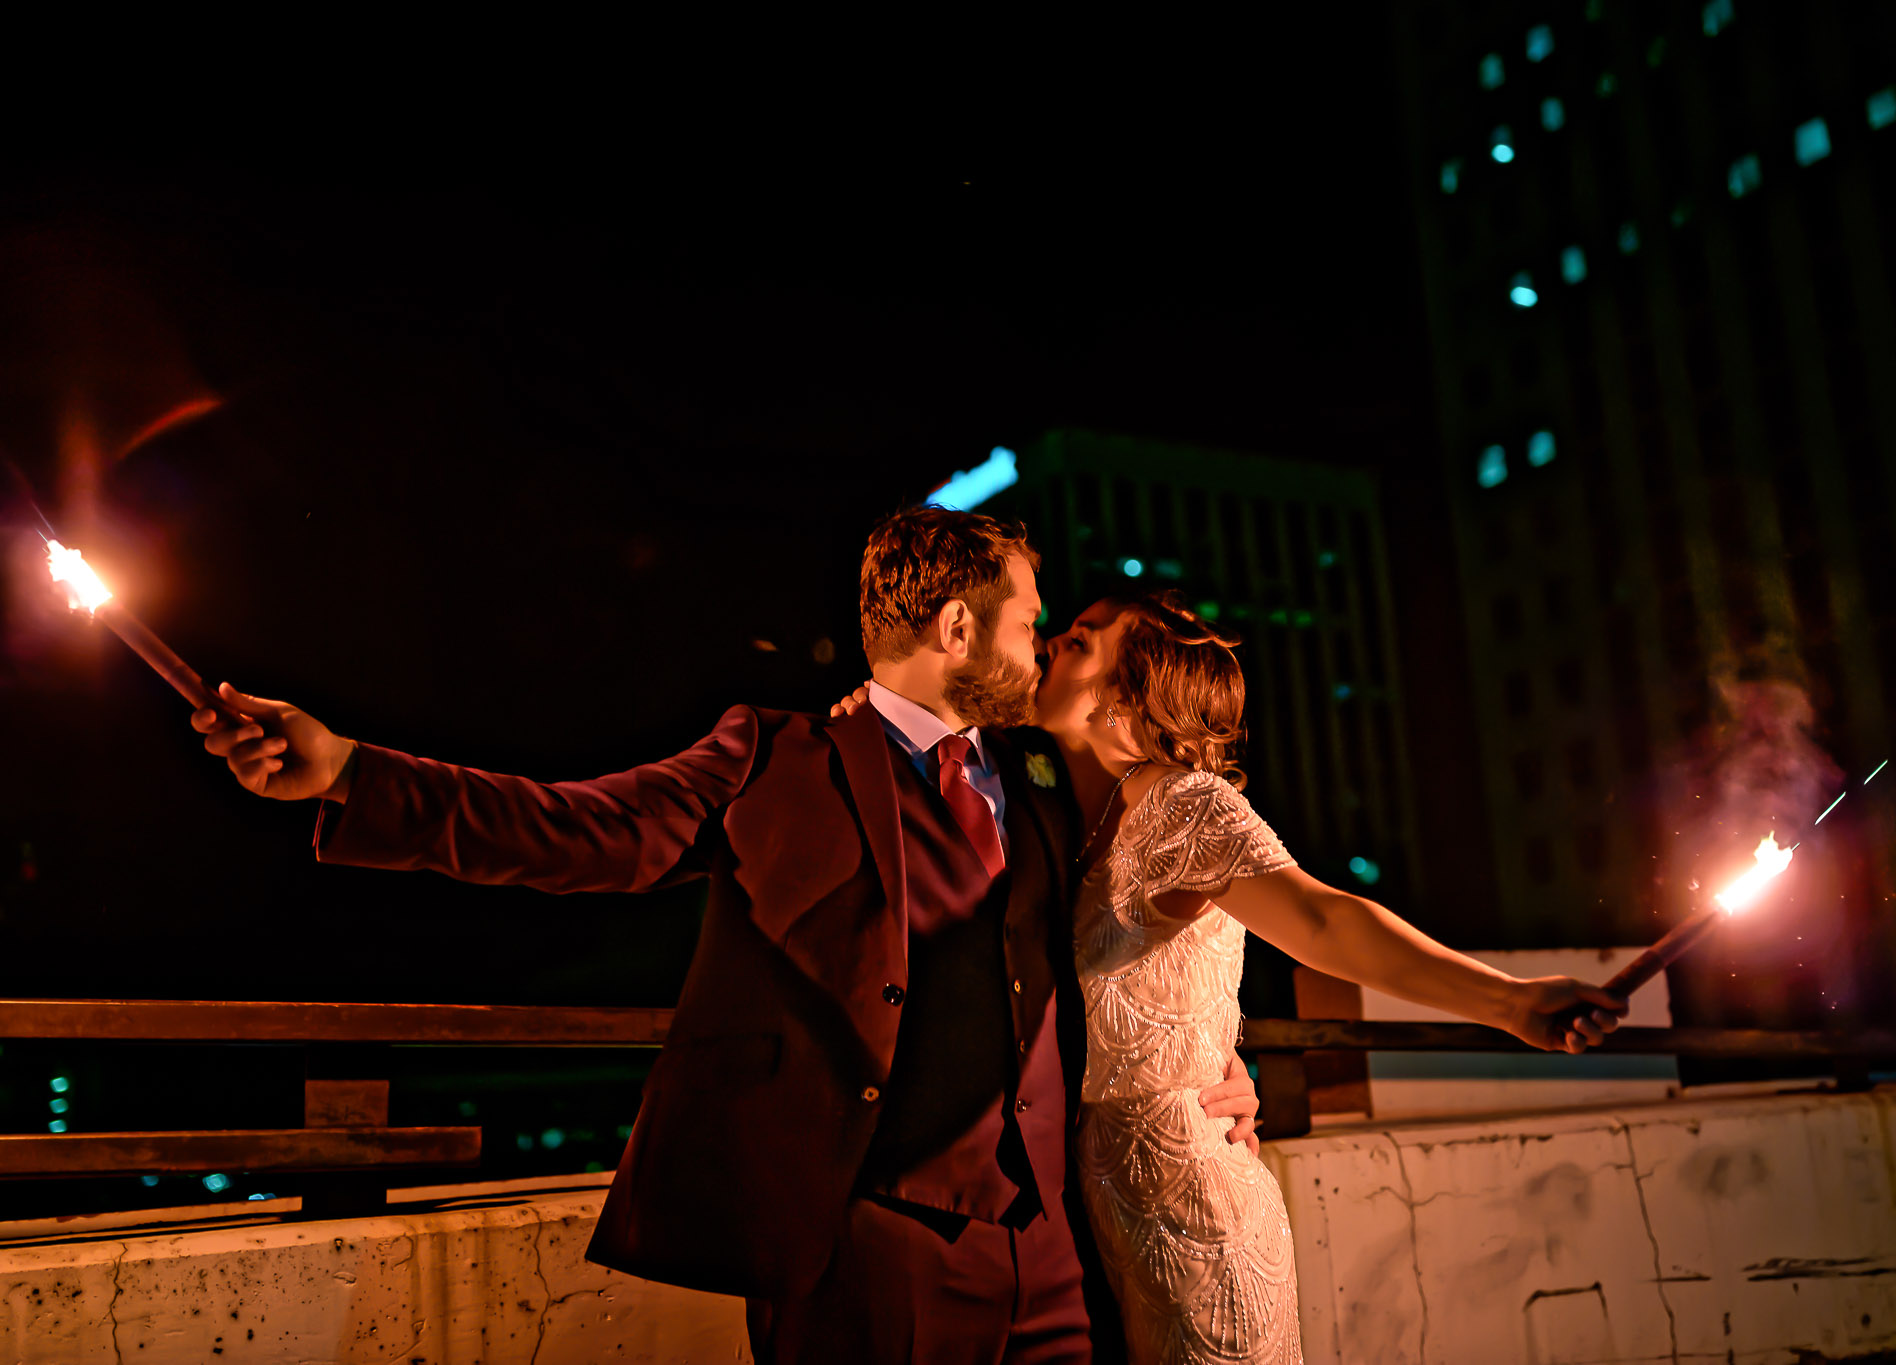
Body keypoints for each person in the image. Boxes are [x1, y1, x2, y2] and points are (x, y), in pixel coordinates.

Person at [188, 509, 1261, 1365]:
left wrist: (1215, 1062)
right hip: (868, 1251)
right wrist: (350, 773)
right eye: (1031, 620)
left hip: (1051, 1250)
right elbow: (579, 831)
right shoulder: (773, 757)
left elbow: (1129, 937)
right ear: (955, 630)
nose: (1042, 640)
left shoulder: (1038, 782)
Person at [836, 589, 1624, 1365]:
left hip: (1193, 1213)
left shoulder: (1184, 807)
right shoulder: (1043, 806)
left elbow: (1325, 920)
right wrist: (870, 718)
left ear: (1126, 690)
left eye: (1078, 640)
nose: (1044, 645)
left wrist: (1512, 1001)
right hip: (1077, 1216)